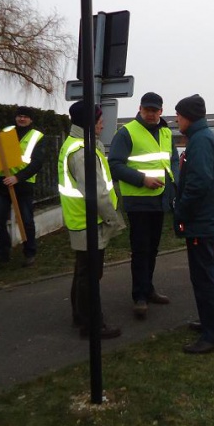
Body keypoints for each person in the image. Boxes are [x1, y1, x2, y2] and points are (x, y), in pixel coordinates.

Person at [58, 101, 126, 339]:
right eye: (99, 119)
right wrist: (111, 220)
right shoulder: (82, 151)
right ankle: (93, 325)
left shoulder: (78, 145)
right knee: (90, 275)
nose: (102, 123)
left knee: (83, 272)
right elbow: (97, 193)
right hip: (90, 222)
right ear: (89, 122)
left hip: (81, 220)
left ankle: (81, 316)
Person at [109, 92, 178, 320]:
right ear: (140, 109)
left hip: (159, 201)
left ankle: (148, 289)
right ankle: (139, 296)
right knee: (140, 250)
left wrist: (174, 184)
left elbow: (173, 161)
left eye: (155, 110)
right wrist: (142, 179)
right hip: (138, 201)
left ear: (161, 110)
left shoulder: (167, 132)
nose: (151, 114)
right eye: (147, 110)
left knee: (153, 249)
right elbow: (115, 165)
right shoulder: (127, 132)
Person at [173, 94, 214, 354]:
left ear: (189, 116)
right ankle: (211, 324)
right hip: (206, 220)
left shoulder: (201, 141)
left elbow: (198, 183)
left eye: (179, 115)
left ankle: (212, 335)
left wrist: (181, 211)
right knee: (208, 275)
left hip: (201, 222)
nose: (176, 119)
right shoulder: (202, 138)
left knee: (204, 277)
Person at [0, 106, 45, 267]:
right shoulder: (7, 130)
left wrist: (18, 177)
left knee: (26, 221)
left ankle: (29, 253)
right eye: (20, 116)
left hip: (23, 184)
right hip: (1, 182)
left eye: (25, 116)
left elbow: (37, 163)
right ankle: (2, 254)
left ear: (31, 119)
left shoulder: (36, 136)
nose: (22, 119)